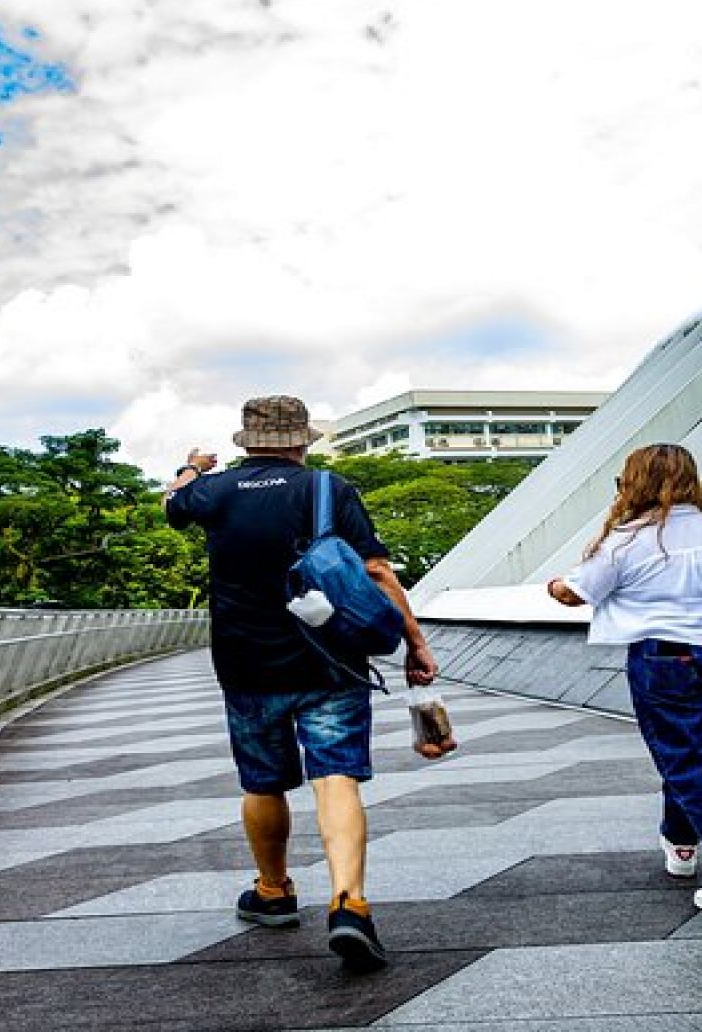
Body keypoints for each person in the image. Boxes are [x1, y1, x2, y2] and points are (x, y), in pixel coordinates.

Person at [164, 395, 439, 971]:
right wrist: (415, 642)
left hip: (246, 664)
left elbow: (173, 505)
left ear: (248, 441)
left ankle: (273, 892)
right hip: (330, 661)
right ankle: (349, 905)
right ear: (301, 441)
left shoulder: (211, 494)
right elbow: (377, 571)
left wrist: (193, 467)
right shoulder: (326, 490)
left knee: (263, 783)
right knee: (335, 777)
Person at [546, 443, 702, 918]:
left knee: (693, 762)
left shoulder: (628, 538)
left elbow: (573, 594)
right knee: (699, 755)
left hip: (666, 662)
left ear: (632, 483)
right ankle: (680, 842)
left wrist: (553, 584)